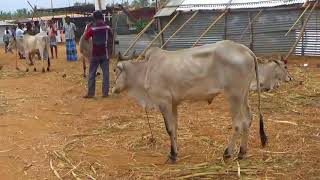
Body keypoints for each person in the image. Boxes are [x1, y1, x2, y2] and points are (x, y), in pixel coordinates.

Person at [83, 11, 113, 98]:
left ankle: (90, 93)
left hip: (95, 54)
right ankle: (105, 93)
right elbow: (111, 36)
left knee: (92, 73)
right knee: (106, 74)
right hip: (105, 53)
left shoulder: (92, 29)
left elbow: (85, 37)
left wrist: (89, 28)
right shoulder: (107, 27)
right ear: (102, 18)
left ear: (94, 18)